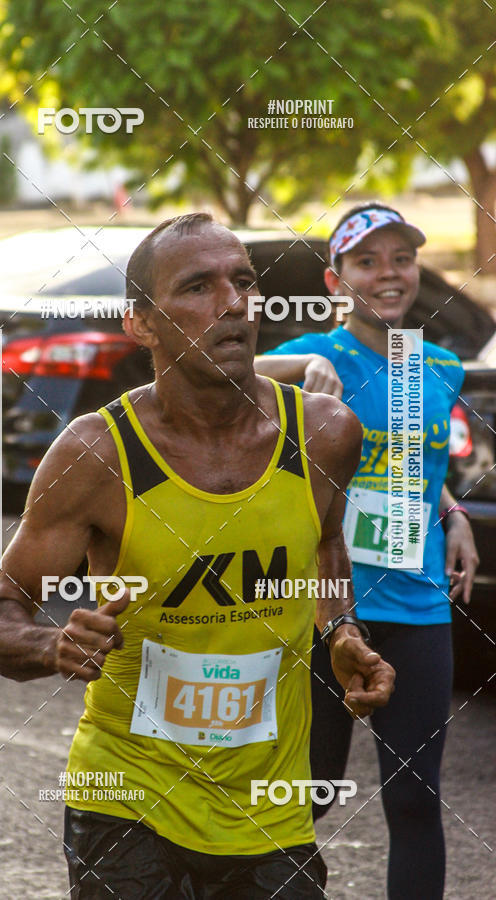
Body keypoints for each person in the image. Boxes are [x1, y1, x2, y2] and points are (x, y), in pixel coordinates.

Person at [0, 213, 395, 899]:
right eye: (198, 287)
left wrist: (340, 629)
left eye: (243, 282)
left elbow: (322, 544)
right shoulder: (94, 454)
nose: (232, 303)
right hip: (127, 792)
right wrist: (52, 647)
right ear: (141, 324)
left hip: (267, 803)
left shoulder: (326, 434)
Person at [255, 202, 479, 900]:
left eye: (401, 259)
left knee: (414, 800)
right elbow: (215, 375)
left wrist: (454, 511)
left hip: (417, 605)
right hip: (323, 606)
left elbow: (417, 462)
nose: (388, 274)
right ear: (335, 279)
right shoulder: (311, 357)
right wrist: (294, 374)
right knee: (307, 796)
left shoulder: (440, 366)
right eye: (367, 261)